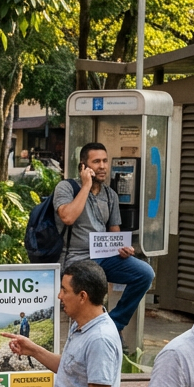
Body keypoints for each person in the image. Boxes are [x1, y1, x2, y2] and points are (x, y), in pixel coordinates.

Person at [54, 142, 155, 332]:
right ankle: (83, 332)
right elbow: (67, 217)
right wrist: (86, 186)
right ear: (83, 166)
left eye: (105, 161)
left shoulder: (110, 195)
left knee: (145, 273)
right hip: (76, 259)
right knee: (89, 287)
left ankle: (114, 324)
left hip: (102, 257)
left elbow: (114, 233)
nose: (102, 166)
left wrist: (122, 250)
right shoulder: (66, 188)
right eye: (96, 161)